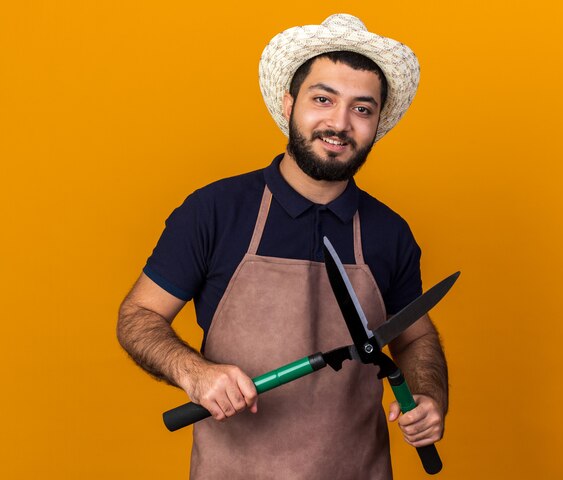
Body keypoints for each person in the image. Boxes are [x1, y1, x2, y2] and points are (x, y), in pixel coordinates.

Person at [117, 13, 448, 480]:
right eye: (322, 99)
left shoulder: (388, 232)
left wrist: (430, 398)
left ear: (377, 121)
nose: (339, 123)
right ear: (290, 102)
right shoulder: (216, 211)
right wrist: (195, 373)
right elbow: (139, 316)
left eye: (361, 108)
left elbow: (417, 337)